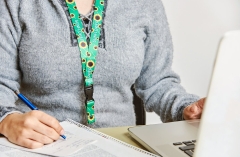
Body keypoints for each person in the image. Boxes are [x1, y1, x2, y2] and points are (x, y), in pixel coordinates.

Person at [0, 0, 205, 149]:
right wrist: (7, 120)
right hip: (42, 146)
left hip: (120, 147)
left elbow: (158, 82)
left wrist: (186, 109)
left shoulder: (145, 4)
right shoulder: (15, 4)